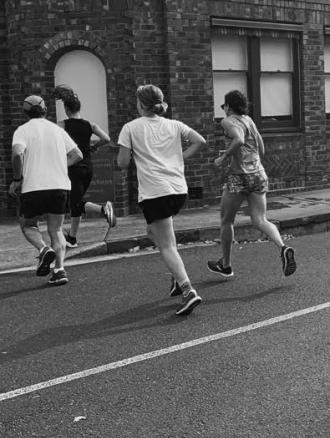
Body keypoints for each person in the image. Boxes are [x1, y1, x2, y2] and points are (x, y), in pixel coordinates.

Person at [116, 84, 206, 316]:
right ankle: (177, 275)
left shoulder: (130, 128)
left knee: (166, 245)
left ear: (140, 103)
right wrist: (178, 158)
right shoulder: (174, 125)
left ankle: (187, 290)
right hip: (178, 190)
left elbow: (122, 163)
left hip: (155, 192)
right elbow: (200, 141)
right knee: (154, 233)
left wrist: (131, 152)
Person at [206, 89, 296, 279]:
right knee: (260, 220)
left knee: (227, 221)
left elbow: (238, 139)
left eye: (224, 106)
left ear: (228, 106)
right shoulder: (249, 120)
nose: (224, 110)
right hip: (258, 174)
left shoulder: (228, 121)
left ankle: (226, 265)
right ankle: (283, 247)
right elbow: (261, 148)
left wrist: (223, 158)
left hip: (238, 177)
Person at [10, 94, 83, 285]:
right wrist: (60, 166)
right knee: (56, 229)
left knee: (28, 225)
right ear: (45, 110)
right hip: (59, 186)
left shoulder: (22, 130)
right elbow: (77, 154)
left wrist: (17, 180)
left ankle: (43, 249)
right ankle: (59, 270)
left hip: (33, 187)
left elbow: (17, 154)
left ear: (25, 112)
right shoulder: (57, 130)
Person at [53, 85, 116, 247]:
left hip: (73, 168)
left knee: (74, 203)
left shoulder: (62, 125)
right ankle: (72, 237)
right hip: (88, 168)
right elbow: (106, 138)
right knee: (75, 202)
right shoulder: (90, 125)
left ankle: (103, 210)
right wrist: (94, 147)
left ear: (66, 109)